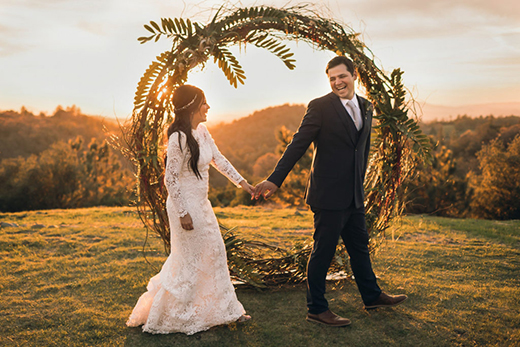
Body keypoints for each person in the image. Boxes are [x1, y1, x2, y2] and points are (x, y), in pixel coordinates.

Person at [254, 56, 407, 327]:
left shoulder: (366, 106)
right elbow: (297, 145)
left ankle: (371, 296)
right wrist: (275, 180)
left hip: (354, 195)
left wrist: (360, 186)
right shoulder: (320, 107)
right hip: (327, 195)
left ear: (354, 75)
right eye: (332, 78)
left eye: (342, 76)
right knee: (323, 252)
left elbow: (361, 151)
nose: (337, 82)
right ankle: (317, 309)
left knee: (360, 248)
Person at [126, 84, 253, 335]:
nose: (208, 107)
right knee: (190, 261)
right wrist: (183, 212)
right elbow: (170, 178)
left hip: (202, 204)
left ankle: (225, 310)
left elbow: (219, 159)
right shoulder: (178, 137)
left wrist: (243, 183)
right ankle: (184, 314)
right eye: (204, 102)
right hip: (184, 206)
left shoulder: (203, 132)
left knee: (215, 253)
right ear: (192, 106)